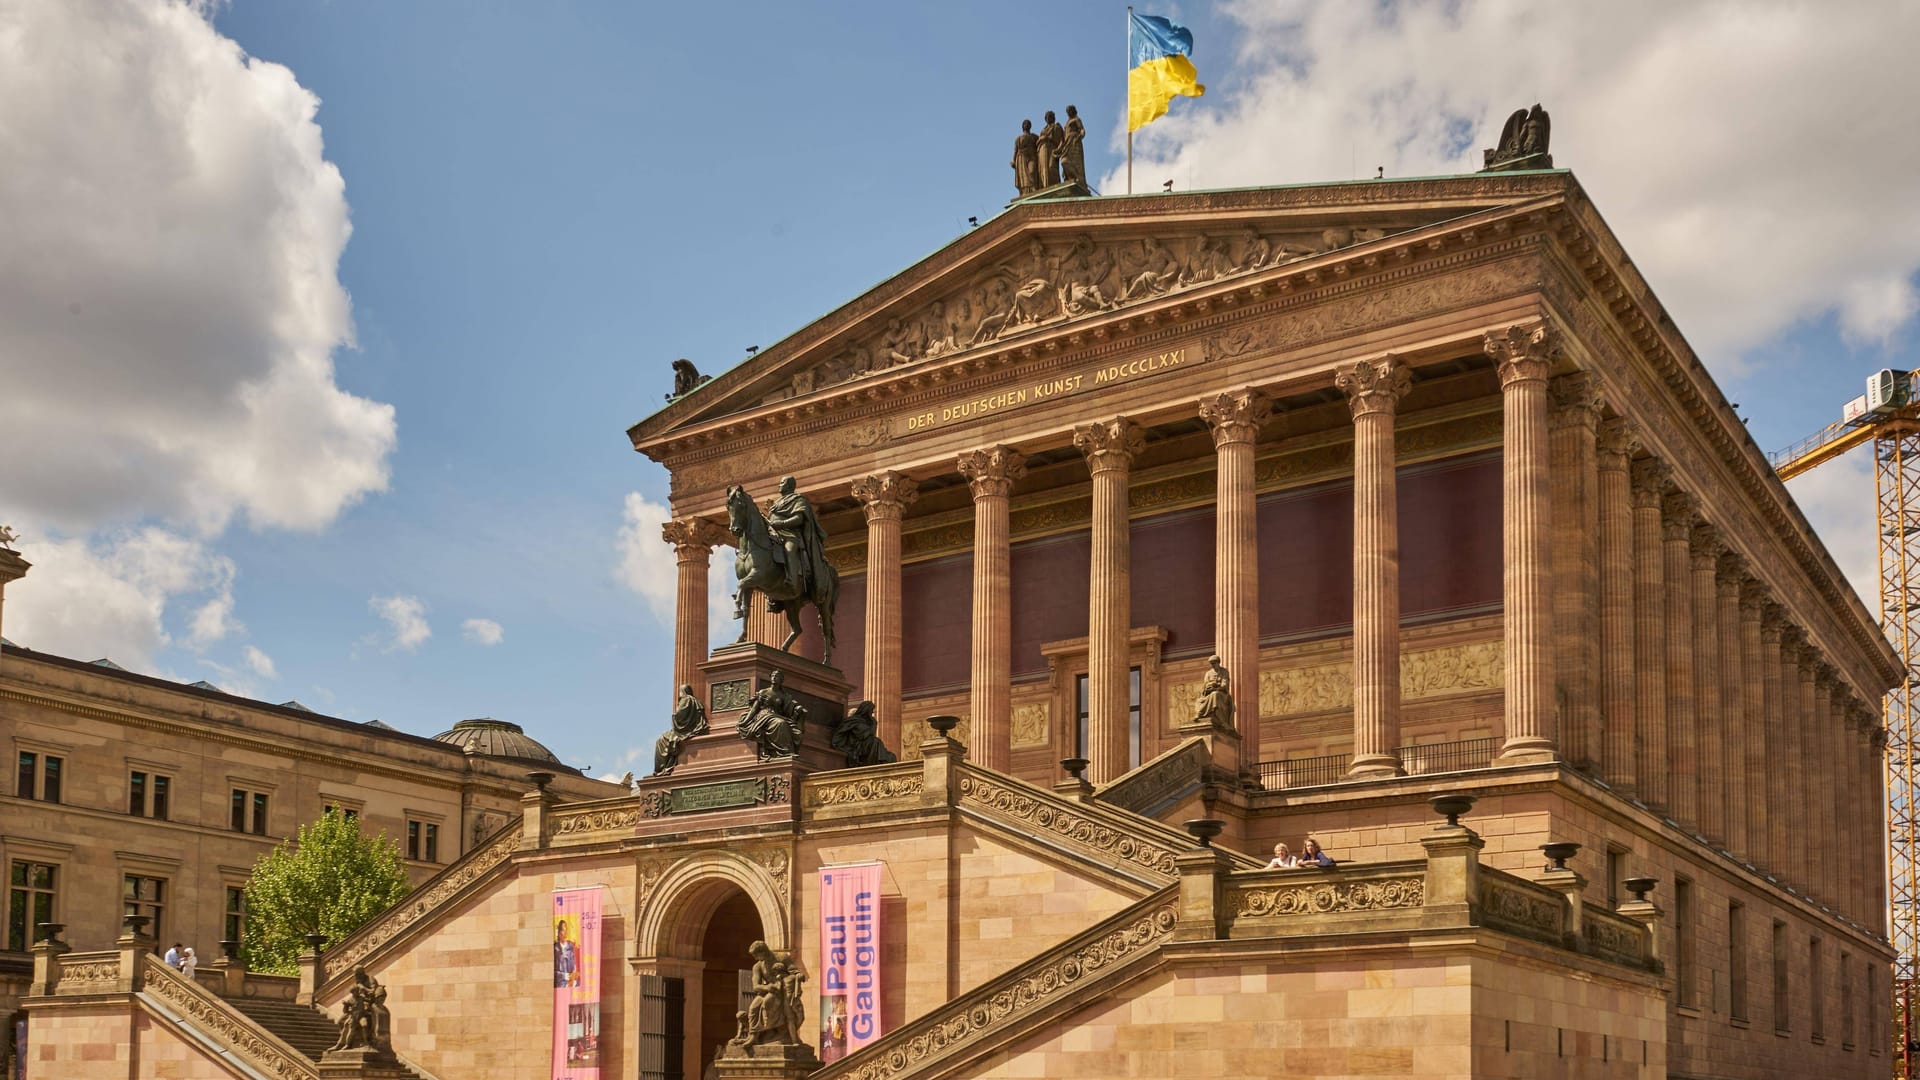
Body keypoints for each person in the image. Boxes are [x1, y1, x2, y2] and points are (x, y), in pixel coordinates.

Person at [765, 477, 830, 604]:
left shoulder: (799, 500)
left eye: (782, 483)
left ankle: (791, 581)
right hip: (775, 535)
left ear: (789, 485)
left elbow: (799, 518)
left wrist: (781, 524)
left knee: (789, 549)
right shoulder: (776, 504)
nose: (779, 485)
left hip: (790, 535)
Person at [554, 920, 577, 988]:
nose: (565, 933)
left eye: (566, 930)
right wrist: (564, 976)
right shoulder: (555, 948)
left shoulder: (570, 947)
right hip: (560, 984)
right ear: (559, 933)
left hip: (571, 983)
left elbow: (574, 966)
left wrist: (572, 977)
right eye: (563, 930)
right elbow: (552, 972)